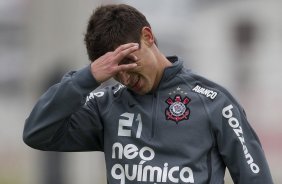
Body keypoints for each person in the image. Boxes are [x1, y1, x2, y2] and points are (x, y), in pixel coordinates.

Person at [23, 4, 273, 184]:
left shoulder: (214, 102)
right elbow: (37, 133)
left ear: (148, 36)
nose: (125, 78)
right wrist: (86, 78)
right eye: (114, 72)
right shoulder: (105, 105)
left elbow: (256, 178)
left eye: (128, 62)